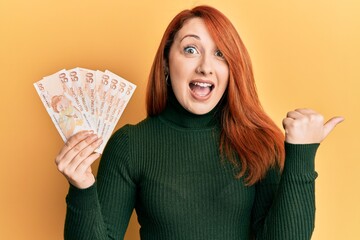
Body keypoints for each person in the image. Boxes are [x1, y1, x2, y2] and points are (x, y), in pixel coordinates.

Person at [55, 5, 344, 240]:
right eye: (191, 50)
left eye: (220, 54)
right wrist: (81, 186)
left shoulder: (259, 144)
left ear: (232, 69)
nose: (205, 66)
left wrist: (302, 155)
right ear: (167, 62)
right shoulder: (131, 145)